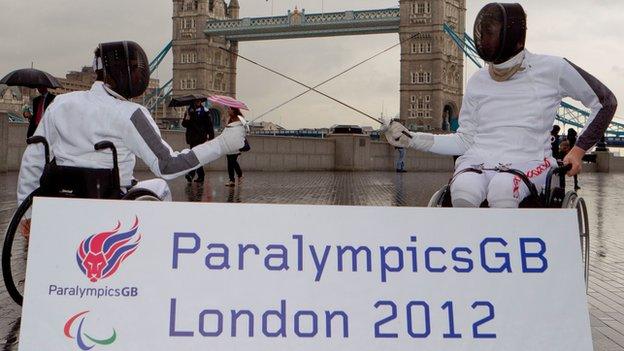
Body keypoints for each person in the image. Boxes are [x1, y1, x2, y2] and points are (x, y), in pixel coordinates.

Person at [385, 3, 617, 208]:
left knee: (503, 191)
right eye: (484, 35)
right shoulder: (478, 80)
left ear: (515, 39)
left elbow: (606, 102)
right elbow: (464, 140)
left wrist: (578, 151)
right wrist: (411, 139)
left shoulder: (553, 68)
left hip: (530, 161)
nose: (486, 40)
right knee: (463, 191)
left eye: (492, 35)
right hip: (478, 161)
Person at [17, 41, 245, 235]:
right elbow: (168, 165)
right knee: (160, 186)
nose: (141, 75)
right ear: (123, 72)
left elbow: (34, 157)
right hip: (111, 201)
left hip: (60, 200)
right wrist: (223, 143)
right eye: (136, 69)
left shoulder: (61, 104)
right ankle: (152, 256)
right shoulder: (131, 114)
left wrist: (27, 212)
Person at [182, 99, 215, 183]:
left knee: (196, 156)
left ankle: (191, 174)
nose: (198, 102)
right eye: (196, 101)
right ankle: (201, 175)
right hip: (192, 137)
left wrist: (211, 137)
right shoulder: (189, 111)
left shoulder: (205, 111)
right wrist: (186, 118)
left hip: (201, 137)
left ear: (201, 102)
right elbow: (184, 124)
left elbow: (209, 125)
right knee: (197, 157)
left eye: (199, 101)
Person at [225, 107, 245, 187]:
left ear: (234, 110)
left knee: (232, 160)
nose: (228, 110)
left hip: (236, 143)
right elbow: (226, 130)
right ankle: (232, 180)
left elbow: (241, 130)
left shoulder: (240, 119)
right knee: (229, 162)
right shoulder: (229, 118)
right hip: (229, 142)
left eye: (229, 109)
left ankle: (239, 175)